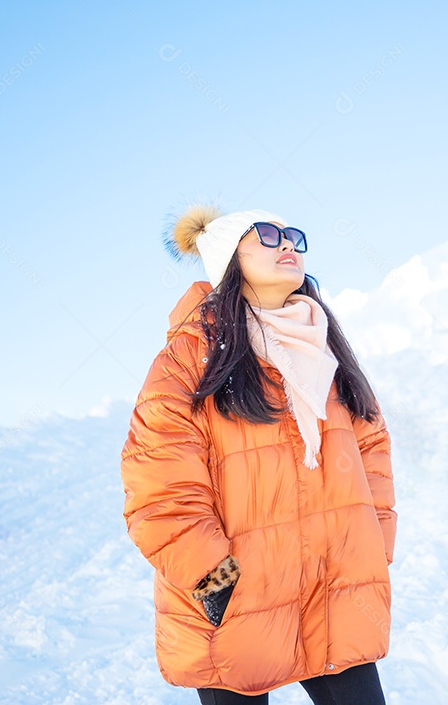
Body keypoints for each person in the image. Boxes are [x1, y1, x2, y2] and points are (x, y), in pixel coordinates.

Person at [120, 205, 396, 704]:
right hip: (235, 596)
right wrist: (213, 580)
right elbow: (159, 481)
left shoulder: (325, 349)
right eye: (267, 235)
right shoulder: (189, 357)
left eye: (292, 234)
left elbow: (371, 451)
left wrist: (373, 546)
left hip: (331, 586)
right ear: (228, 258)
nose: (287, 243)